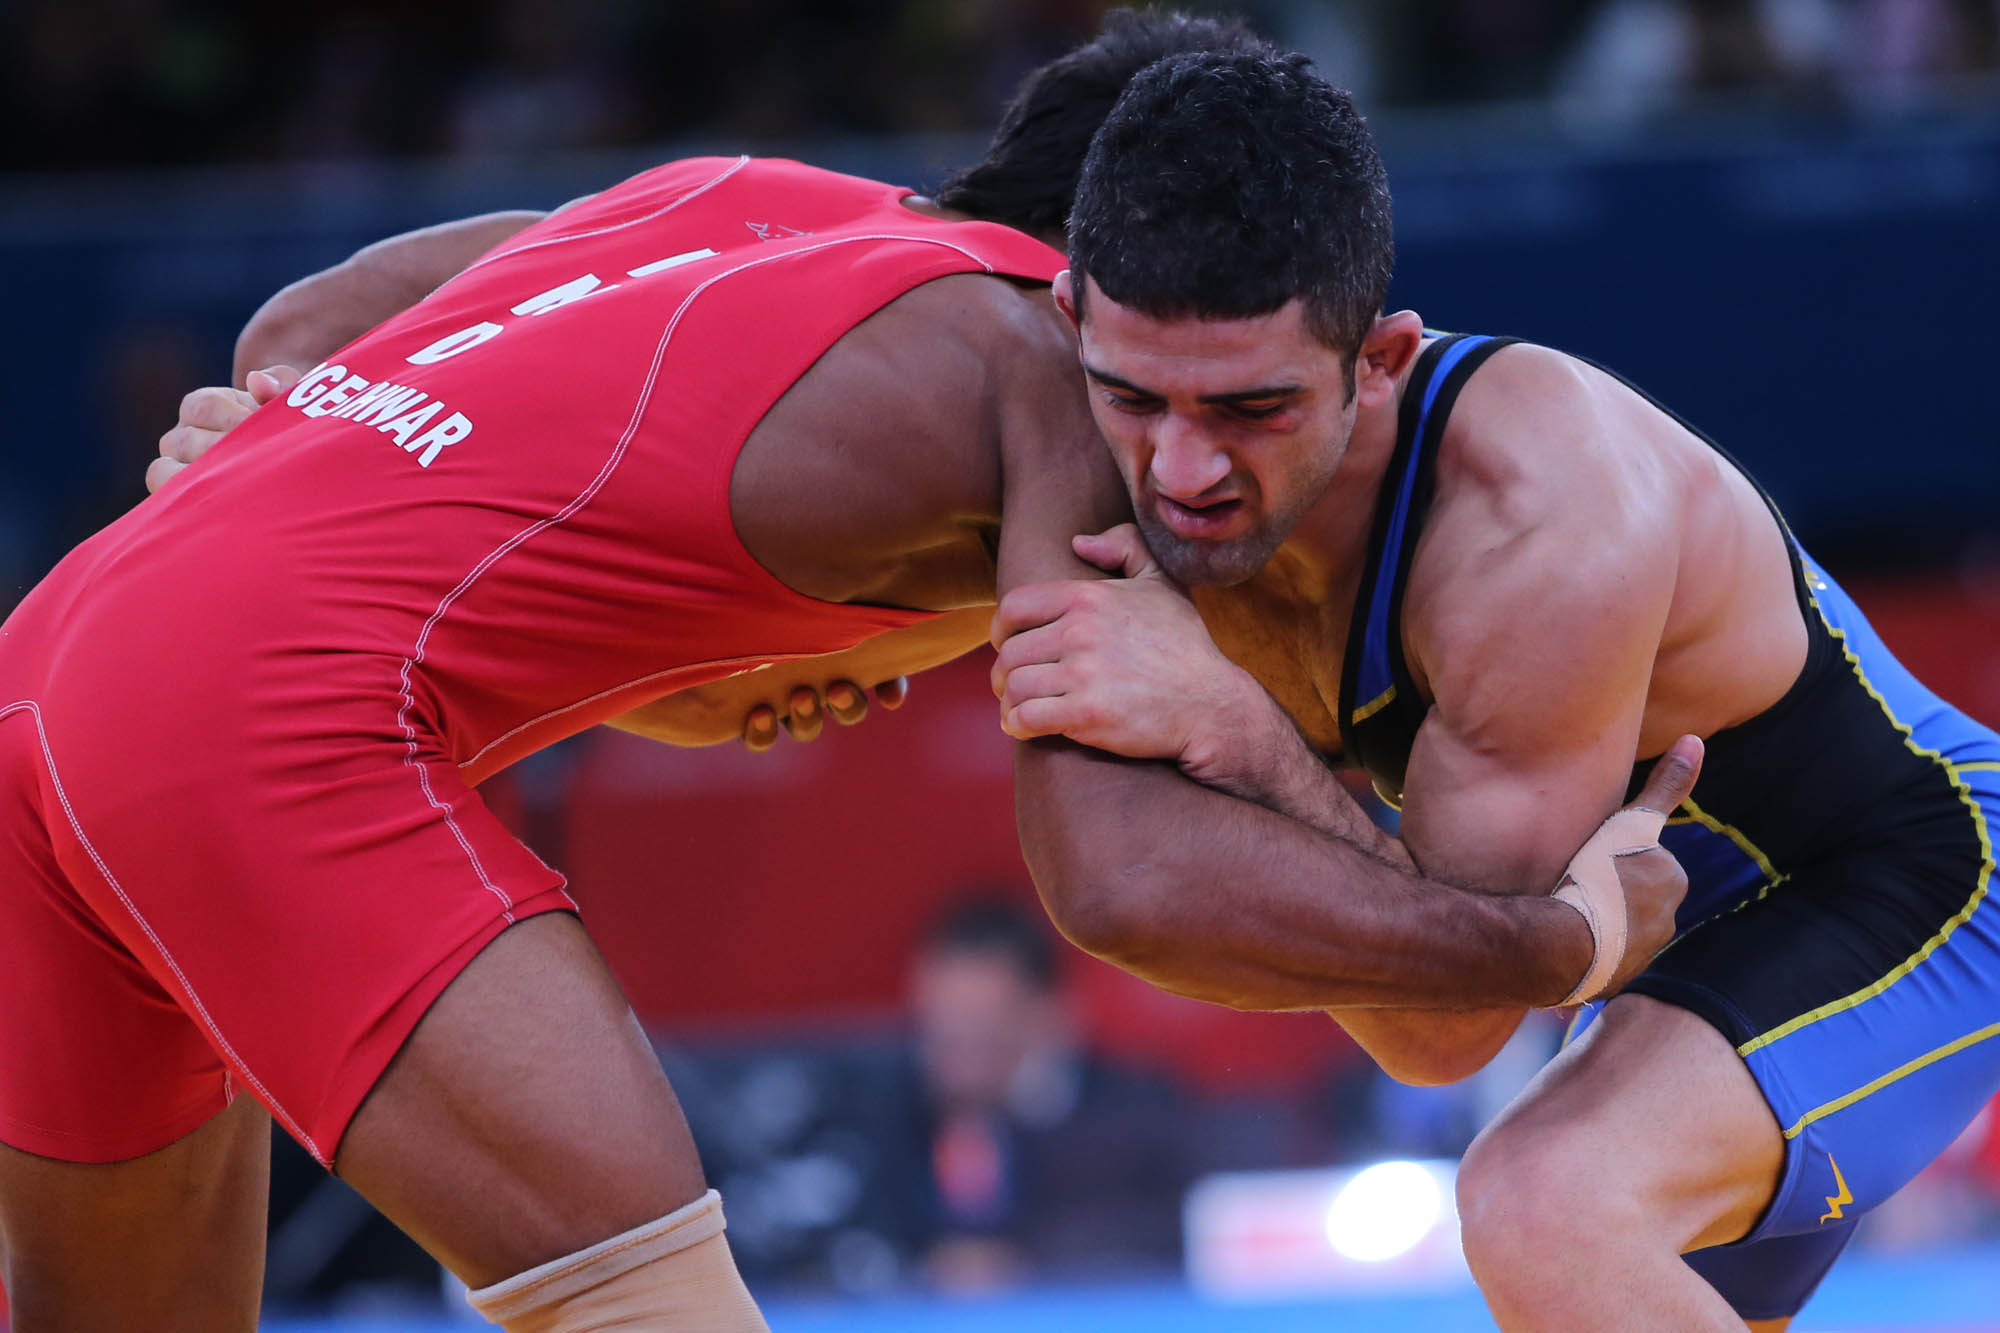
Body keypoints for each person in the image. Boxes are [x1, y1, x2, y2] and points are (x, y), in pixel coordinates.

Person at [51, 15, 1690, 1331]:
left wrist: (263, 428)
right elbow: (1117, 877)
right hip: (260, 733)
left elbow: (317, 314)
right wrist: (1554, 936)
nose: (1172, 454)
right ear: (1091, 276)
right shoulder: (1039, 358)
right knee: (645, 1303)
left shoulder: (740, 196)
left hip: (54, 663)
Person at [986, 49, 2000, 1332]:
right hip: (1656, 935)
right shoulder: (1070, 425)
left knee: (1544, 1207)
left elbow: (1444, 1033)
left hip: (1907, 884)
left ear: (1378, 359)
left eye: (1251, 409)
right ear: (1070, 318)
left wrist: (1241, 735)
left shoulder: (1538, 520)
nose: (1180, 469)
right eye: (1132, 397)